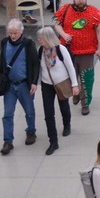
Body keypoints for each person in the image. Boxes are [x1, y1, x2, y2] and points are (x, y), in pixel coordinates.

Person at [52, 0, 100, 116]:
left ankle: (85, 102)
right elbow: (57, 25)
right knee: (71, 75)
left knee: (87, 77)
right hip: (68, 51)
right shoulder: (65, 10)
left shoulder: (93, 12)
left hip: (87, 52)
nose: (81, 1)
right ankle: (75, 92)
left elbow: (99, 30)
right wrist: (64, 35)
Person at [0, 17, 39, 154]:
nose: (12, 36)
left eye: (15, 33)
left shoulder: (29, 44)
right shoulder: (4, 43)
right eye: (10, 33)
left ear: (21, 32)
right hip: (9, 85)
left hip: (25, 84)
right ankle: (8, 141)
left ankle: (31, 131)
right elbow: (2, 61)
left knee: (29, 112)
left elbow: (35, 64)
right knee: (7, 114)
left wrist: (34, 82)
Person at [36, 26, 78, 155]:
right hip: (47, 84)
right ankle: (53, 141)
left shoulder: (61, 49)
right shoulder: (41, 51)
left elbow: (70, 67)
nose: (39, 41)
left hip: (61, 83)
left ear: (48, 39)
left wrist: (75, 85)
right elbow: (39, 68)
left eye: (41, 39)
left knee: (63, 105)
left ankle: (67, 124)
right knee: (48, 113)